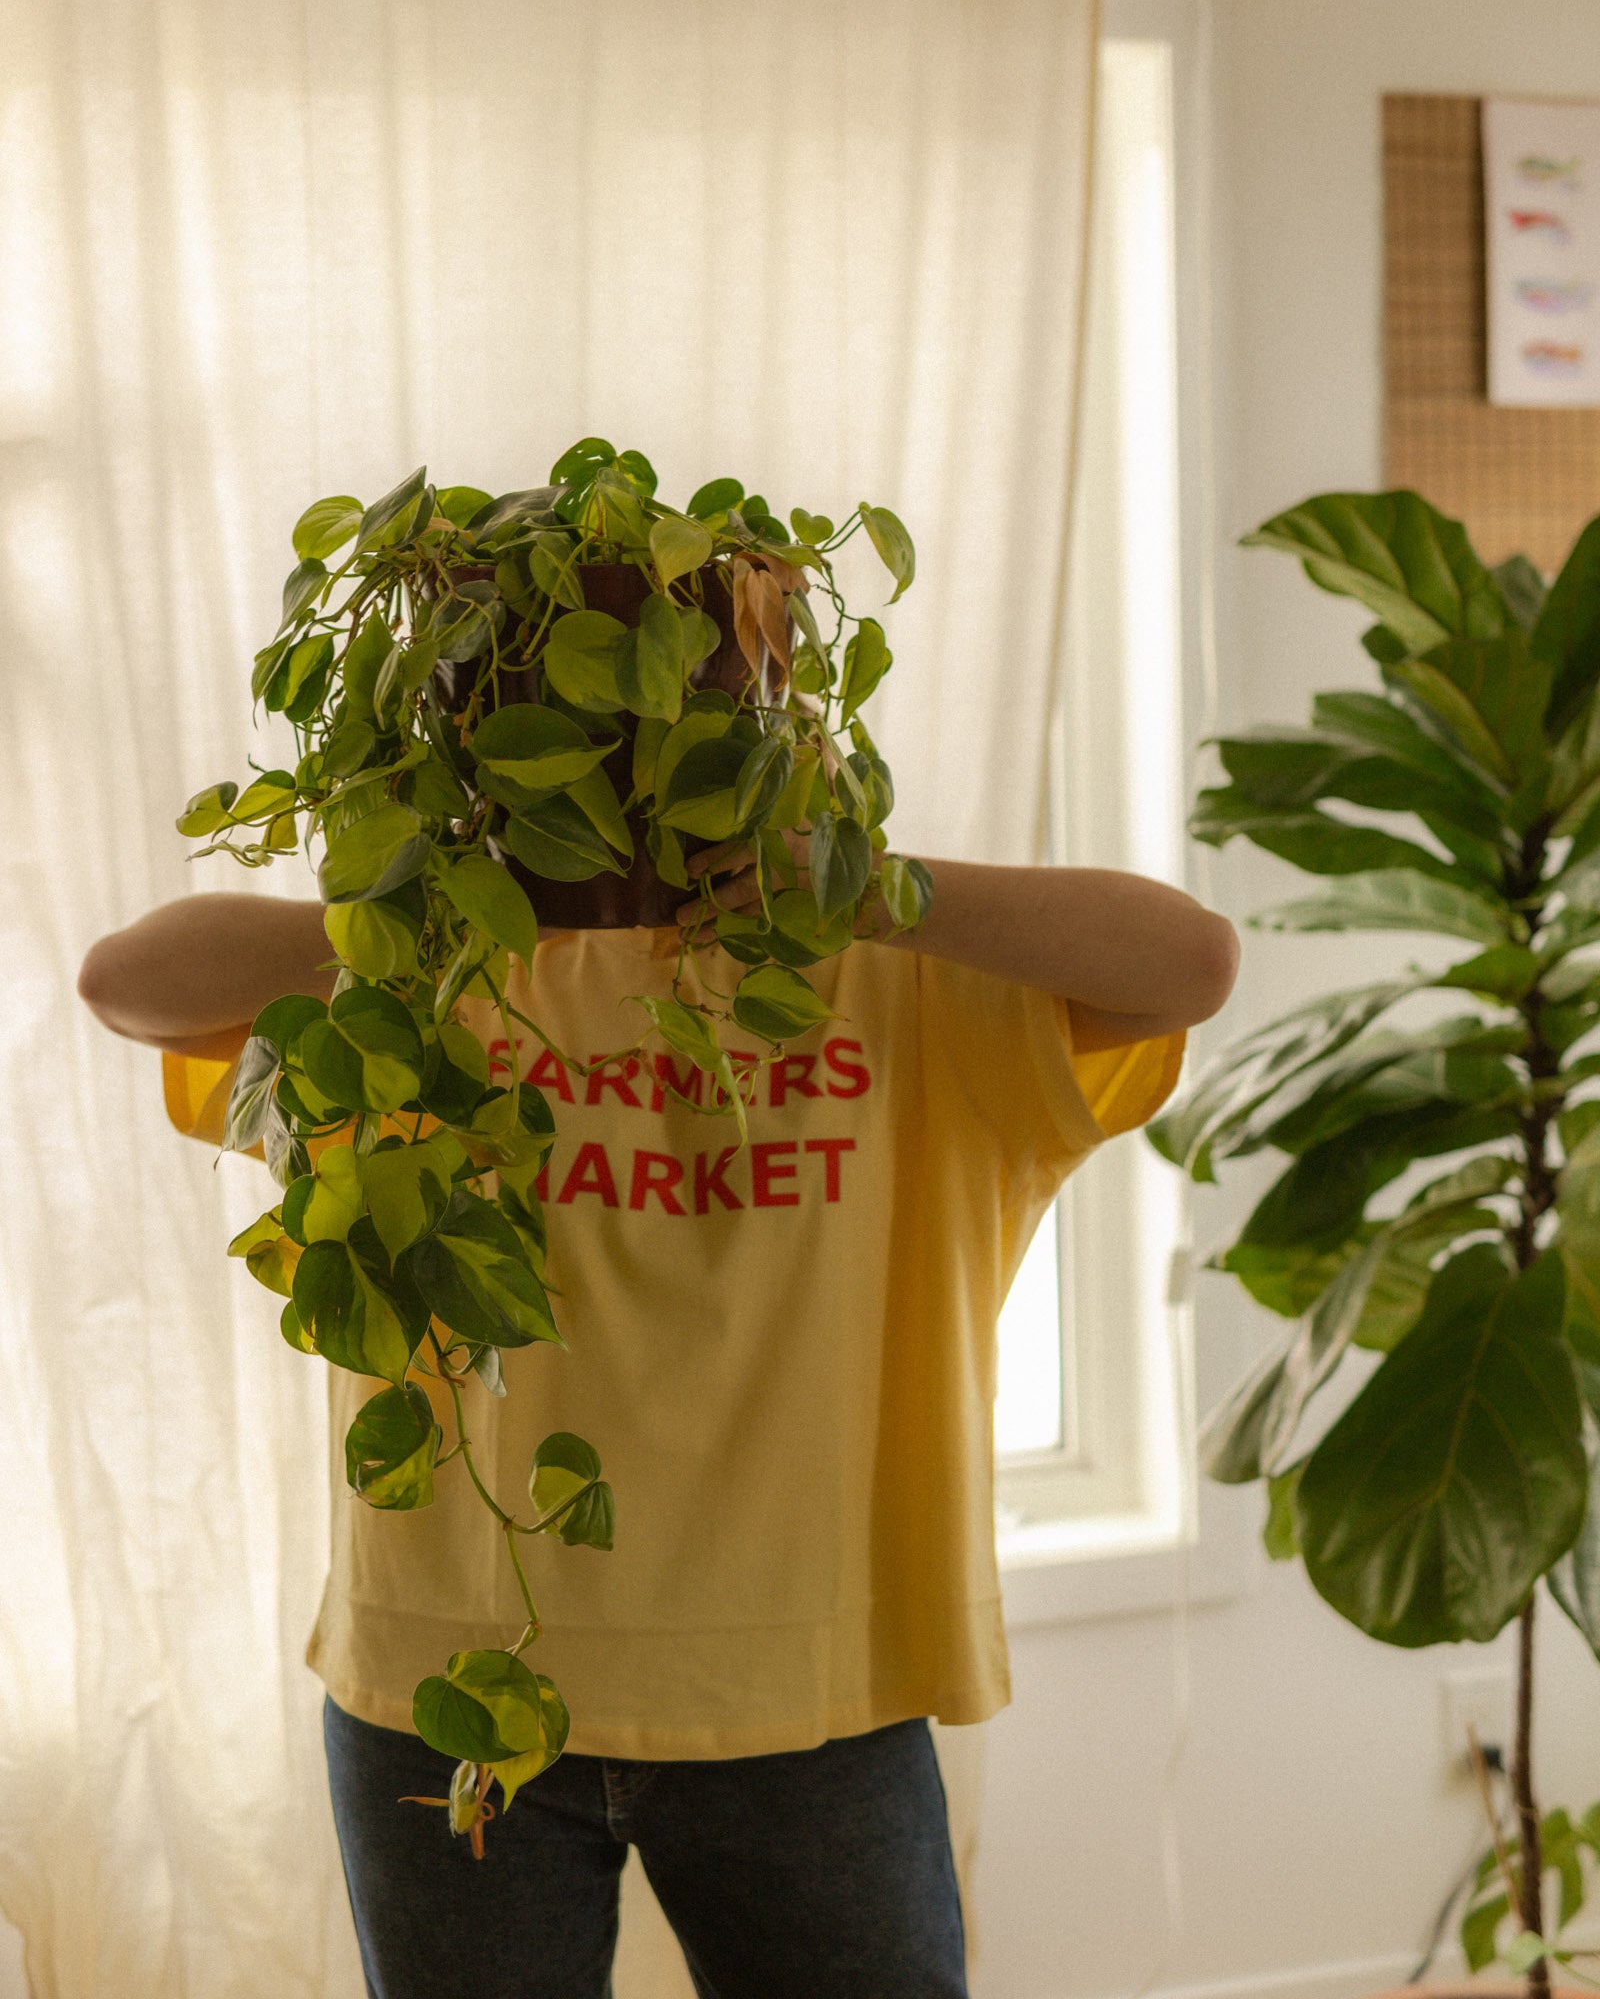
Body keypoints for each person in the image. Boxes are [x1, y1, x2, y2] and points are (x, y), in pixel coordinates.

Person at [79, 839, 1237, 1999]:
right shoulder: (420, 982)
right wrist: (410, 913)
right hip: (454, 1680)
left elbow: (1189, 962)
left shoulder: (898, 974)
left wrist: (873, 888)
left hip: (815, 1689)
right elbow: (125, 983)